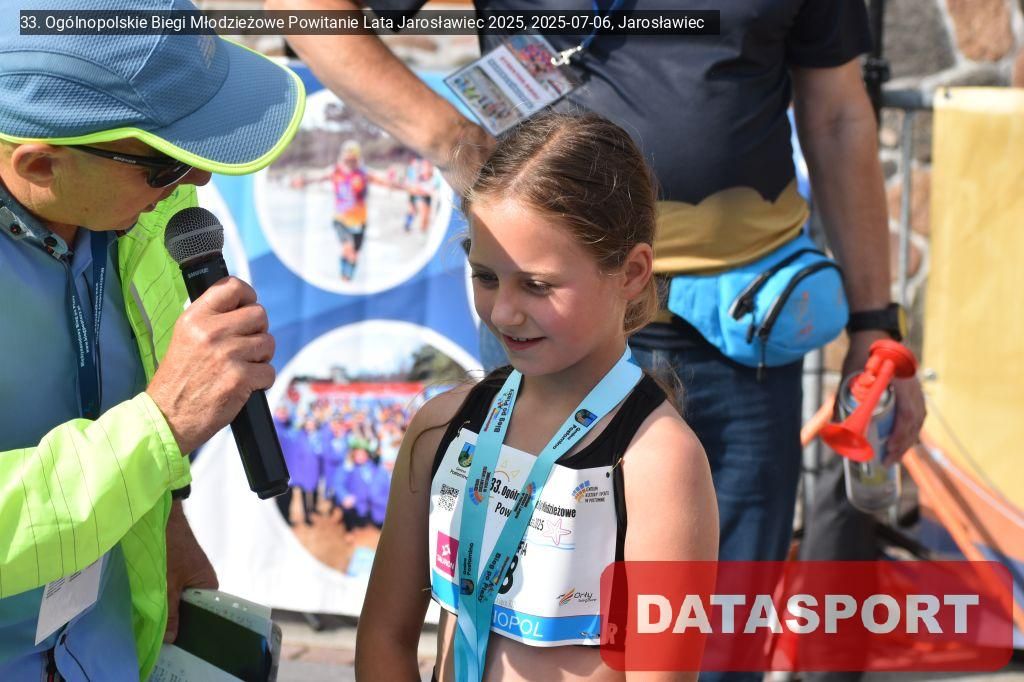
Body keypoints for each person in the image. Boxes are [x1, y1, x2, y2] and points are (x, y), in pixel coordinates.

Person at [355, 113, 717, 681]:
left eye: (537, 285)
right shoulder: (442, 427)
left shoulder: (659, 461)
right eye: (486, 276)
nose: (503, 312)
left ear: (631, 273)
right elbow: (383, 636)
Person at [0, 1, 304, 678]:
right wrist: (161, 427)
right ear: (40, 165)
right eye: (166, 164)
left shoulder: (131, 198)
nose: (198, 178)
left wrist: (167, 520)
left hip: (102, 647)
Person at [293, 139, 370, 280]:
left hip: (359, 221)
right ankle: (344, 276)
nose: (349, 162)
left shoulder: (363, 174)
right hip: (340, 219)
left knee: (354, 254)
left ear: (357, 159)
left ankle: (348, 277)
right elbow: (320, 178)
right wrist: (304, 182)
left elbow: (385, 182)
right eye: (347, 159)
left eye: (353, 159)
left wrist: (408, 188)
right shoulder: (336, 171)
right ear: (343, 158)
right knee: (348, 248)